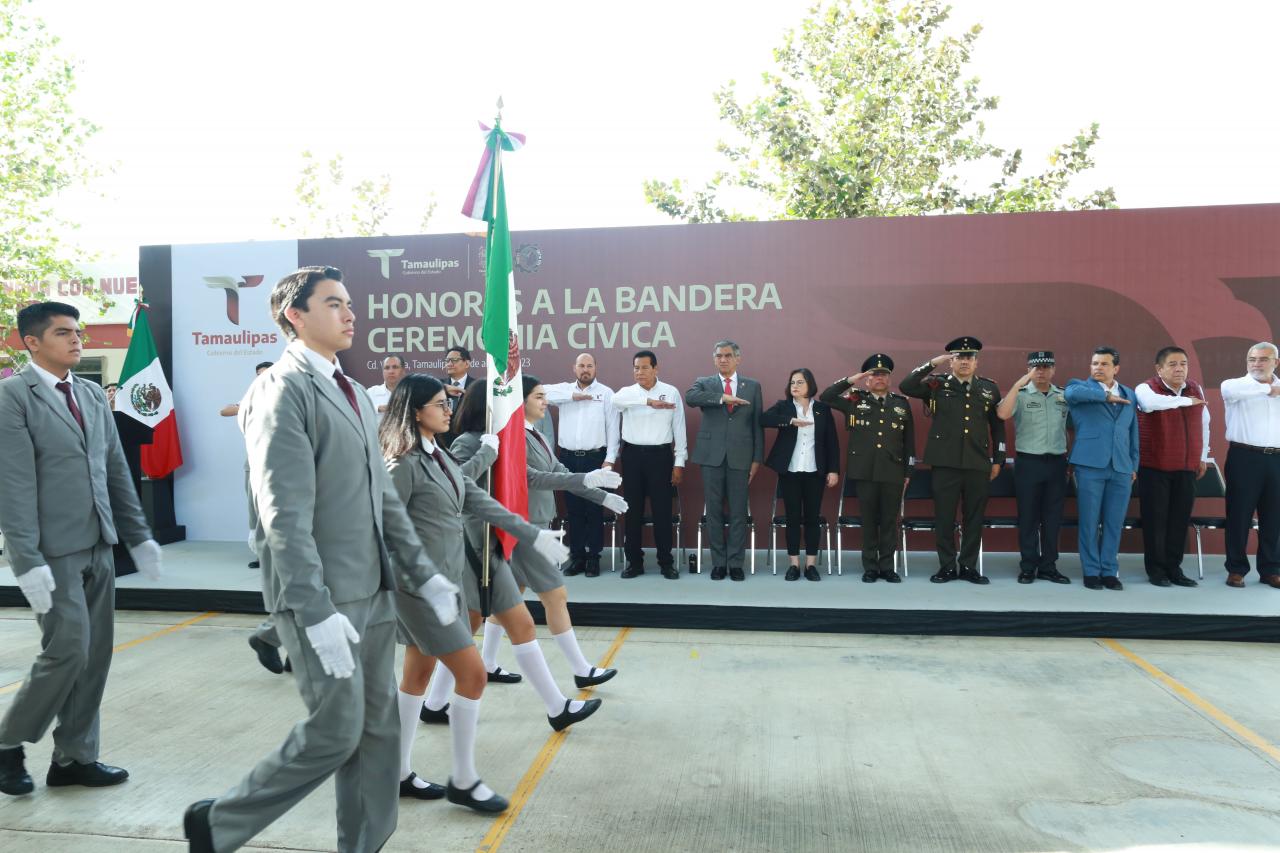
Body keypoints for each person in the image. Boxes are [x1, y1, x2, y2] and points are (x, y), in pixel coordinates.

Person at [183, 266, 462, 853]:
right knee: (336, 731)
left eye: (349, 302)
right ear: (296, 315)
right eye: (334, 303)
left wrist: (424, 573)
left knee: (378, 730)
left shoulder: (353, 390)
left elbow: (384, 499)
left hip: (374, 589)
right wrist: (313, 610)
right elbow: (282, 513)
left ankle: (364, 843)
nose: (350, 313)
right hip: (324, 598)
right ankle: (219, 824)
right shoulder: (280, 389)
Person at [380, 375, 594, 814]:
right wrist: (419, 580)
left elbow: (479, 501)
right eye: (439, 404)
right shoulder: (402, 465)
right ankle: (463, 779)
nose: (448, 410)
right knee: (474, 675)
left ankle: (396, 772)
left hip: (447, 579)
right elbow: (385, 532)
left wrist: (532, 535)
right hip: (421, 590)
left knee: (417, 676)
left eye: (448, 403)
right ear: (416, 412)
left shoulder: (438, 455)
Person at [0, 301, 163, 798]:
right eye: (63, 333)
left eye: (78, 332)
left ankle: (74, 757)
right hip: (51, 551)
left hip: (99, 543)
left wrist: (138, 535)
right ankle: (7, 742)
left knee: (94, 656)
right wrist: (25, 559)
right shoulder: (12, 397)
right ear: (31, 342)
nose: (76, 340)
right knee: (67, 649)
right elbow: (14, 486)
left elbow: (115, 471)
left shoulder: (91, 394)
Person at [900, 337, 1006, 585]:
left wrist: (998, 459)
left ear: (976, 362)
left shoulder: (989, 389)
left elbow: (997, 427)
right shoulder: (936, 385)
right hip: (945, 462)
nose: (964, 362)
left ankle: (968, 566)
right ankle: (947, 567)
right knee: (944, 518)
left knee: (974, 518)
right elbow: (906, 386)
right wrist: (932, 363)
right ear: (951, 362)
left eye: (969, 358)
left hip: (977, 462)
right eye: (959, 357)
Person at [819, 354, 915, 583]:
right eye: (874, 375)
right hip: (865, 471)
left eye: (884, 375)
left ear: (890, 379)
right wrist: (852, 379)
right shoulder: (854, 400)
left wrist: (908, 472)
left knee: (889, 521)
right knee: (869, 521)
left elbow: (909, 441)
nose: (879, 378)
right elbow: (826, 397)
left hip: (893, 471)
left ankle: (887, 567)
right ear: (867, 379)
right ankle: (870, 567)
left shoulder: (901, 404)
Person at [686, 340, 764, 581]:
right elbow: (690, 397)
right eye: (719, 355)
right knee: (714, 512)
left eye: (728, 355)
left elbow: (757, 425)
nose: (723, 359)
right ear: (714, 359)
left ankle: (736, 563)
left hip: (741, 457)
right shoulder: (704, 383)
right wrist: (723, 398)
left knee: (739, 512)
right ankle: (719, 563)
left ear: (738, 359)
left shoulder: (752, 386)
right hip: (711, 457)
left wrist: (757, 459)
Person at [1064, 346, 1140, 591]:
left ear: (1116, 368)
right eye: (1094, 363)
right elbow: (1071, 394)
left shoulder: (1129, 394)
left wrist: (1133, 464)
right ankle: (1091, 571)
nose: (1098, 367)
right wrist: (1106, 396)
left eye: (1104, 364)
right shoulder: (1079, 387)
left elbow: (1132, 432)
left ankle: (1109, 571)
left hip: (1122, 467)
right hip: (1090, 465)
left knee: (1114, 523)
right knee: (1089, 521)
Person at [1135, 346, 1210, 587]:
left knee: (1179, 520)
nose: (1179, 369)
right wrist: (1186, 401)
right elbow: (1151, 404)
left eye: (1183, 364)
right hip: (1154, 466)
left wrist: (1202, 456)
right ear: (1159, 369)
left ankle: (1174, 568)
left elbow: (1205, 421)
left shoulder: (1195, 388)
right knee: (1156, 521)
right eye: (1173, 364)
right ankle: (1156, 570)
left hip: (1186, 466)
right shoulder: (1146, 388)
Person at [996, 351, 1071, 585]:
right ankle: (1028, 566)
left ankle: (1048, 566)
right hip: (1028, 463)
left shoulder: (1064, 395)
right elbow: (1002, 413)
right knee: (1028, 517)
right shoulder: (1020, 394)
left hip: (1057, 463)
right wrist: (1018, 384)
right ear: (1028, 370)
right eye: (1036, 368)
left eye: (1046, 367)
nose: (1041, 372)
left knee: (1052, 518)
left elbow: (1071, 426)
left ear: (1053, 370)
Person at [611, 350, 687, 579]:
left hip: (661, 457)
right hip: (632, 456)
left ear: (656, 368)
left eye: (645, 367)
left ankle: (666, 562)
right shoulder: (626, 393)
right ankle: (634, 562)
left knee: (662, 511)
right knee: (632, 511)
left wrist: (679, 462)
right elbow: (615, 401)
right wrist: (647, 402)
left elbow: (679, 428)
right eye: (636, 368)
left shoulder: (670, 392)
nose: (639, 372)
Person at [543, 353, 620, 577]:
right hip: (567, 459)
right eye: (581, 366)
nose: (585, 369)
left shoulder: (606, 393)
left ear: (596, 368)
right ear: (574, 368)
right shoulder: (564, 391)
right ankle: (577, 557)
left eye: (589, 365)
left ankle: (594, 558)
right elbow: (540, 391)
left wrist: (610, 459)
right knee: (574, 510)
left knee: (594, 508)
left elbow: (613, 428)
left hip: (596, 458)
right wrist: (572, 396)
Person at [762, 368, 839, 581]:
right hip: (791, 471)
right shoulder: (784, 406)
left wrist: (833, 470)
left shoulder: (822, 409)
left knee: (812, 518)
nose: (794, 386)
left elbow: (832, 442)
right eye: (792, 382)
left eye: (800, 382)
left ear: (810, 385)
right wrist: (790, 421)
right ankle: (794, 564)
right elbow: (763, 419)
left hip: (815, 471)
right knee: (793, 518)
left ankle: (810, 565)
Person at [1220, 342, 1280, 588]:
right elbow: (1232, 393)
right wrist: (1269, 390)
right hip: (1244, 457)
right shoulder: (1234, 385)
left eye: (1263, 359)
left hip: (1276, 458)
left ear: (1276, 362)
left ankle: (1271, 569)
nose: (1256, 364)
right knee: (1239, 515)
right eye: (1252, 359)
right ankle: (1236, 569)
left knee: (1274, 517)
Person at [222, 361, 273, 576]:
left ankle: (280, 555)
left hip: (280, 464)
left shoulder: (288, 394)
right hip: (253, 464)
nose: (262, 377)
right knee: (256, 510)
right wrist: (249, 406)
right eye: (259, 374)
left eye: (266, 373)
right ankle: (262, 554)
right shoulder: (252, 397)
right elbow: (225, 411)